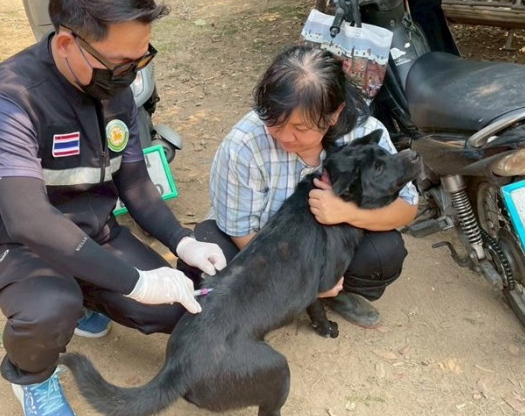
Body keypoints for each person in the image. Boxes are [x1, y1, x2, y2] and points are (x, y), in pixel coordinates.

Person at [0, 0, 226, 416]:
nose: (131, 75)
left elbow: (135, 181)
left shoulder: (113, 87)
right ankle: (32, 376)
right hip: (12, 245)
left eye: (142, 60)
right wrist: (135, 281)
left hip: (92, 233)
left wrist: (183, 241)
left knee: (177, 309)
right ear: (67, 43)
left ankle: (86, 294)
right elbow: (30, 221)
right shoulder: (7, 102)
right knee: (50, 307)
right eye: (122, 63)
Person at [179, 46, 418, 330]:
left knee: (383, 252)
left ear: (334, 114)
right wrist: (302, 283)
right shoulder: (244, 145)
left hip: (323, 242)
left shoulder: (364, 132)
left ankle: (335, 291)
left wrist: (346, 213)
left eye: (300, 128)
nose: (284, 137)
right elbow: (241, 230)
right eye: (274, 121)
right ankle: (293, 297)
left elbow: (407, 206)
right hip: (264, 244)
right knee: (205, 261)